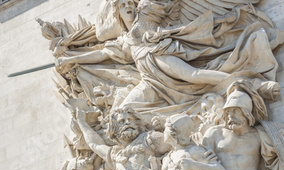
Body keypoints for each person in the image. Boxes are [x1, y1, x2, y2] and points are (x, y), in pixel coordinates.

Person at [56, 0, 283, 112]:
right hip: (150, 79)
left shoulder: (146, 12)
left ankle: (249, 84)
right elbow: (101, 53)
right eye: (123, 5)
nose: (128, 6)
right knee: (122, 110)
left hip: (160, 56)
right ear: (117, 14)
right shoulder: (124, 41)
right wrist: (70, 59)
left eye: (129, 3)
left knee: (195, 75)